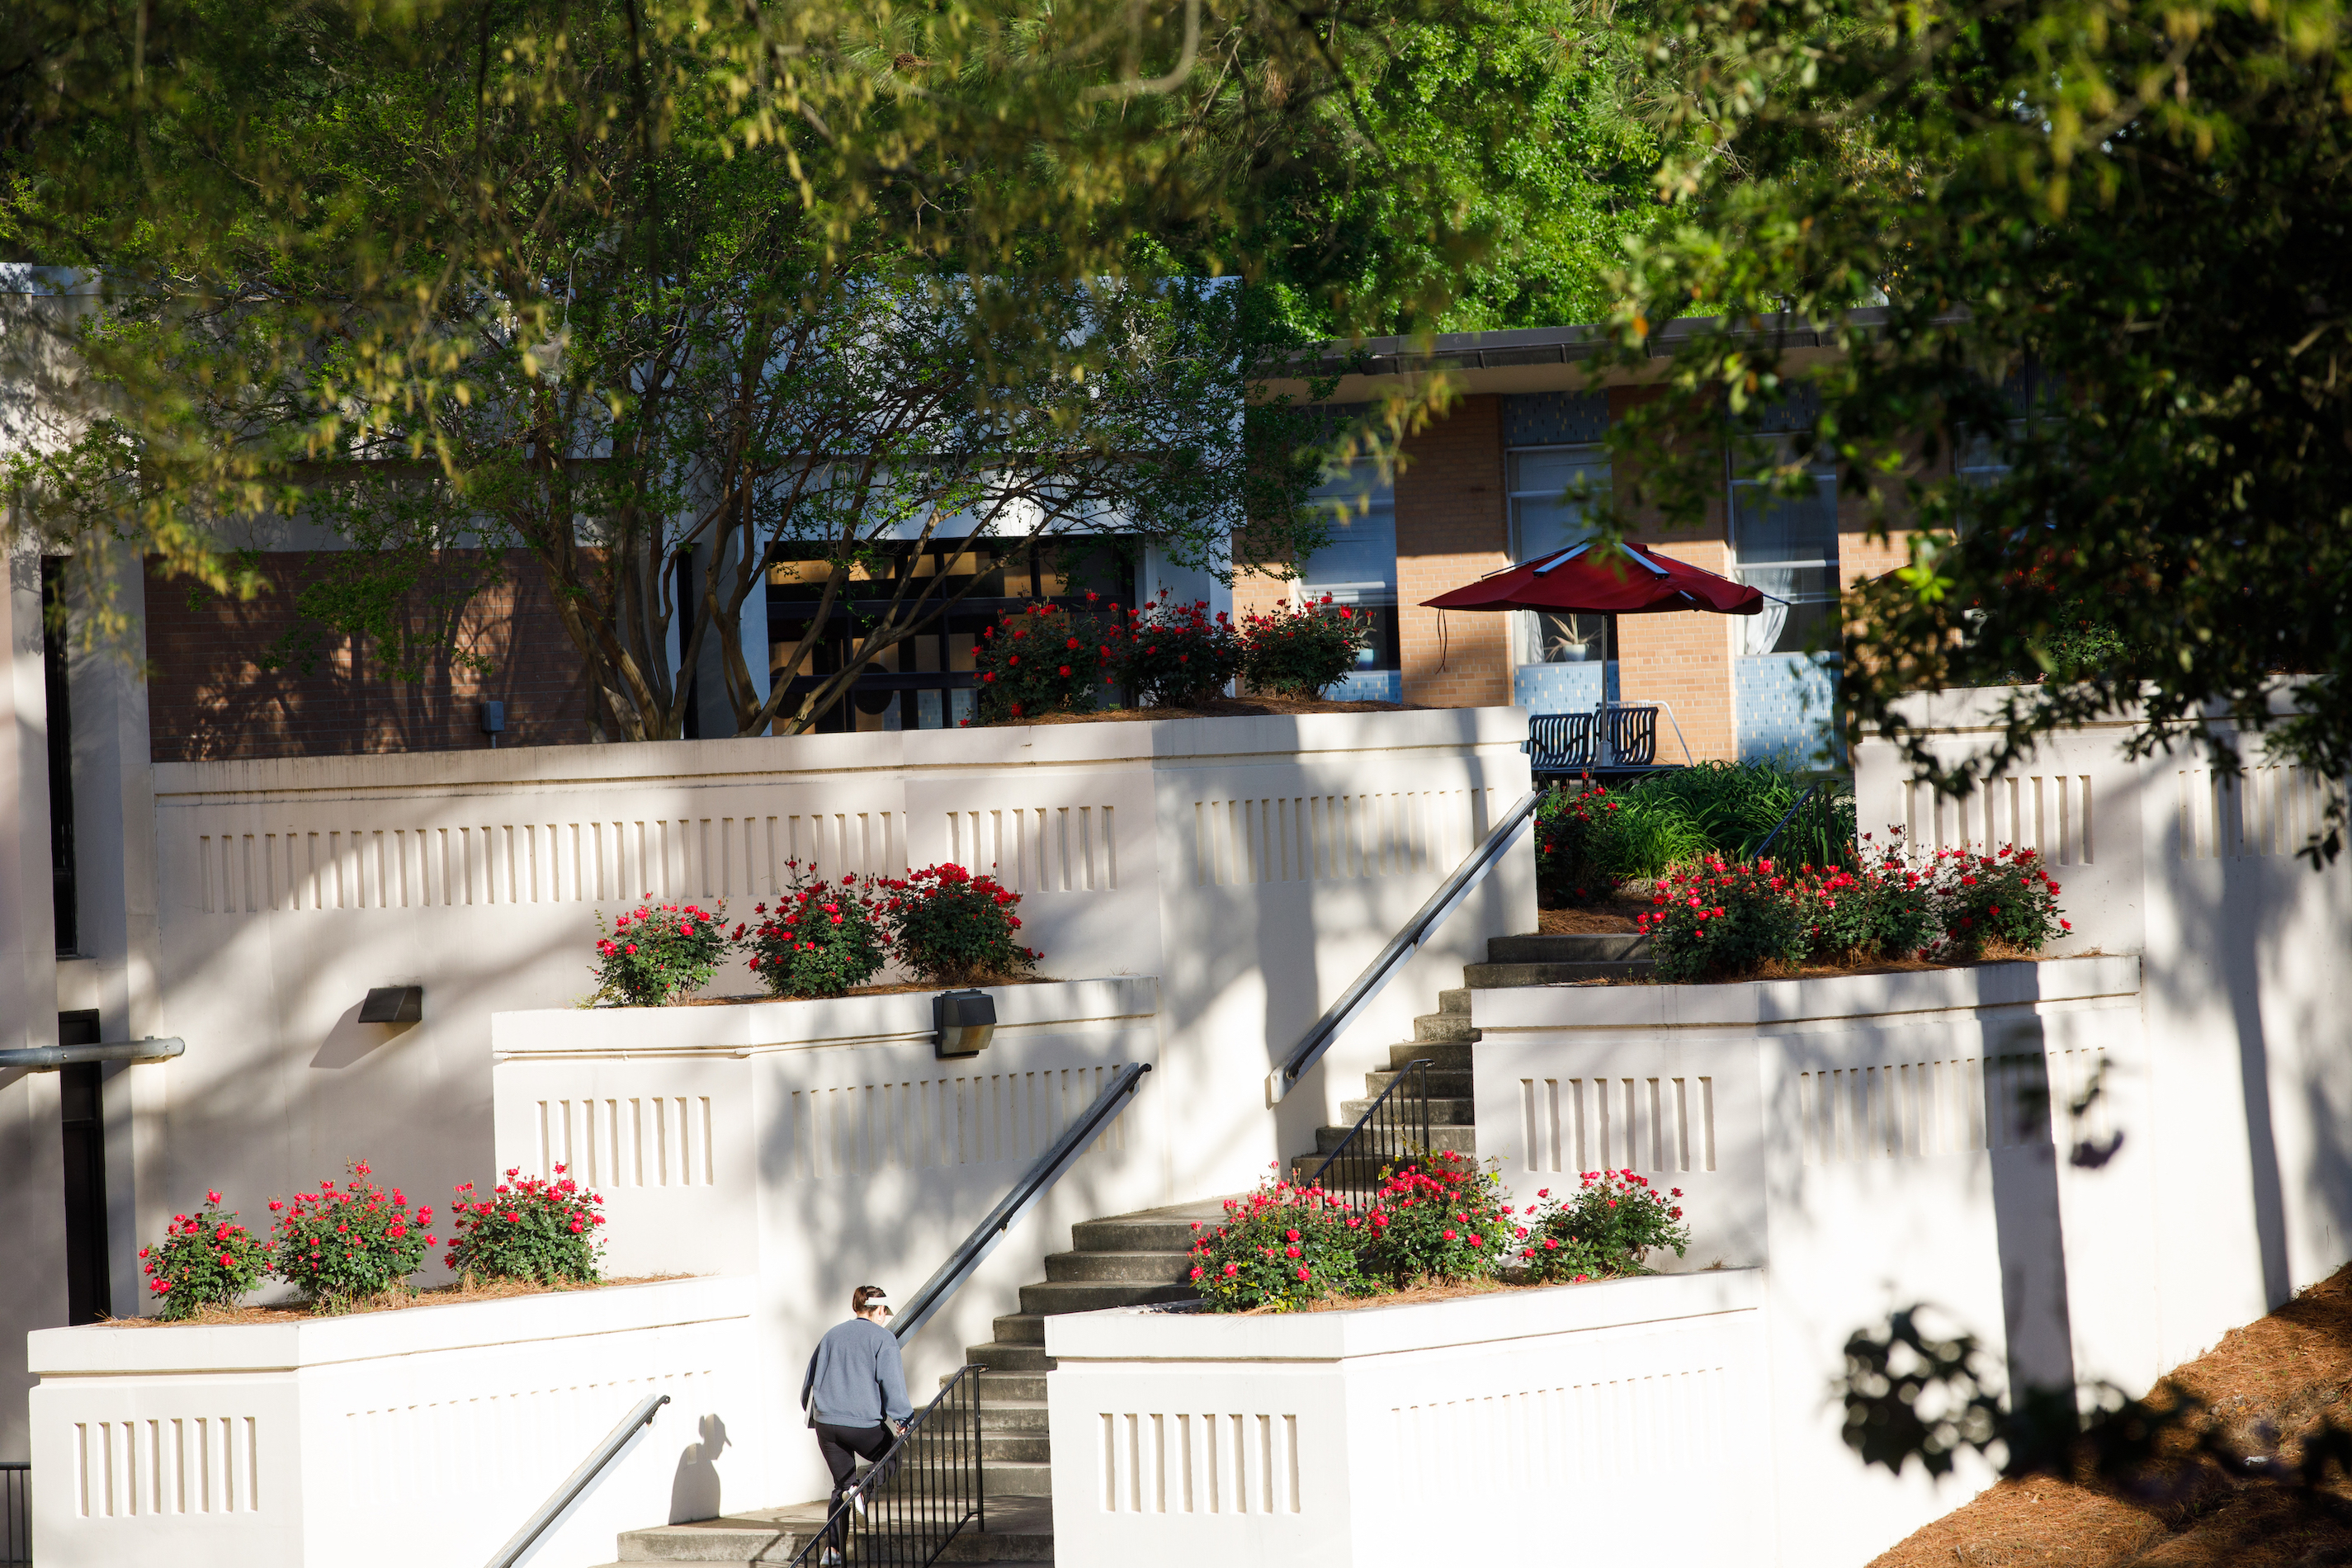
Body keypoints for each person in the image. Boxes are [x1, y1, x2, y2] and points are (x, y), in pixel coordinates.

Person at [801, 1285, 912, 1564]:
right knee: (892, 1455)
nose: (885, 1317)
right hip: (861, 1424)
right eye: (884, 1312)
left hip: (826, 1424)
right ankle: (863, 1491)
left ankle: (833, 1551)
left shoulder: (831, 1335)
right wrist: (903, 1419)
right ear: (879, 1310)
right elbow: (892, 1384)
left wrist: (813, 1411)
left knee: (842, 1485)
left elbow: (810, 1379)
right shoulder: (883, 1339)